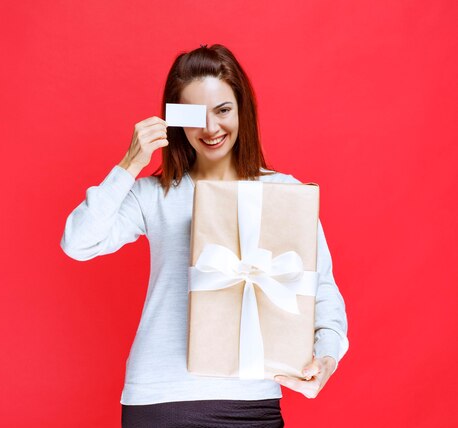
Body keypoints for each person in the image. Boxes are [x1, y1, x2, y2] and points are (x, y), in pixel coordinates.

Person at [60, 44, 349, 427]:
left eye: (223, 110)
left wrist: (325, 357)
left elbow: (322, 290)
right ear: (175, 119)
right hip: (160, 398)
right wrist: (129, 165)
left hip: (251, 401)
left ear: (243, 109)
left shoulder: (285, 193)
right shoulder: (154, 193)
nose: (211, 129)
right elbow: (77, 243)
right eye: (195, 115)